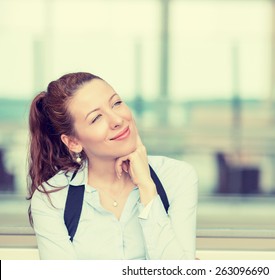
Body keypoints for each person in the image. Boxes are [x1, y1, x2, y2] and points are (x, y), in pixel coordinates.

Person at [27, 72, 198, 260]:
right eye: (96, 118)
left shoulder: (177, 177)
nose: (118, 120)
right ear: (73, 142)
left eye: (116, 103)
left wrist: (147, 189)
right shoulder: (52, 199)